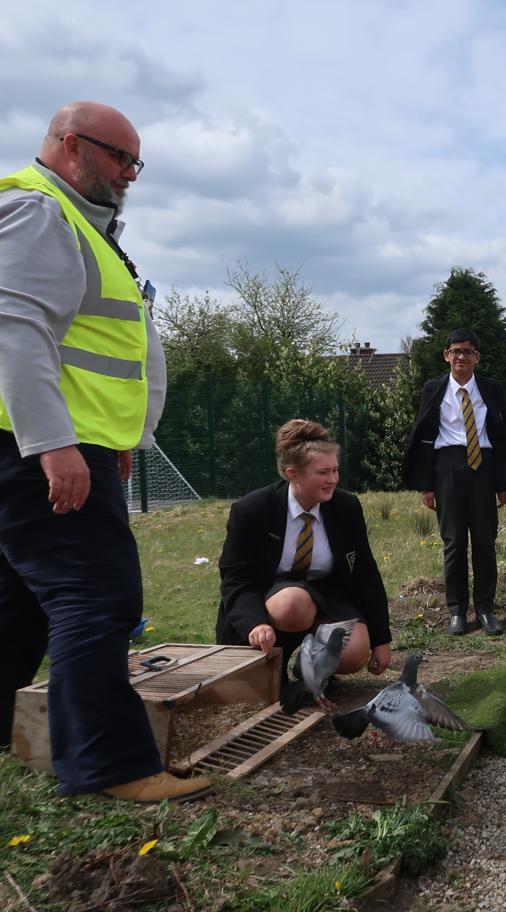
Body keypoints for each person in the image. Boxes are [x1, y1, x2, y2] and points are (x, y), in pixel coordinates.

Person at [0, 101, 204, 802]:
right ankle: (110, 767)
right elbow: (18, 331)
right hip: (47, 448)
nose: (130, 175)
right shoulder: (40, 214)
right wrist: (53, 445)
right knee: (97, 597)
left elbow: (97, 356)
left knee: (22, 602)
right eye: (119, 158)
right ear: (67, 144)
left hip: (66, 445)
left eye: (135, 162)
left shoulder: (83, 227)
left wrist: (125, 440)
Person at [217, 420, 392, 709]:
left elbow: (365, 574)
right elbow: (235, 577)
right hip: (272, 598)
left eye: (335, 470)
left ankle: (309, 674)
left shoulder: (347, 507)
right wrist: (255, 623)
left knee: (354, 650)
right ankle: (275, 663)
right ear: (292, 474)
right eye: (323, 472)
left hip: (327, 593)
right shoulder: (251, 510)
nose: (333, 479)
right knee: (293, 604)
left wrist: (381, 639)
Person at [402, 329, 506, 635]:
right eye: (455, 351)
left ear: (476, 357)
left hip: (483, 466)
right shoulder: (433, 389)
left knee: (484, 541)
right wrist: (426, 484)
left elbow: (502, 435)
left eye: (467, 352)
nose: (461, 357)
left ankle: (486, 609)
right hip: (448, 467)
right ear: (446, 355)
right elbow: (423, 438)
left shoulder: (491, 389)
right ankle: (457, 611)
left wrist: (503, 481)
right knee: (454, 542)